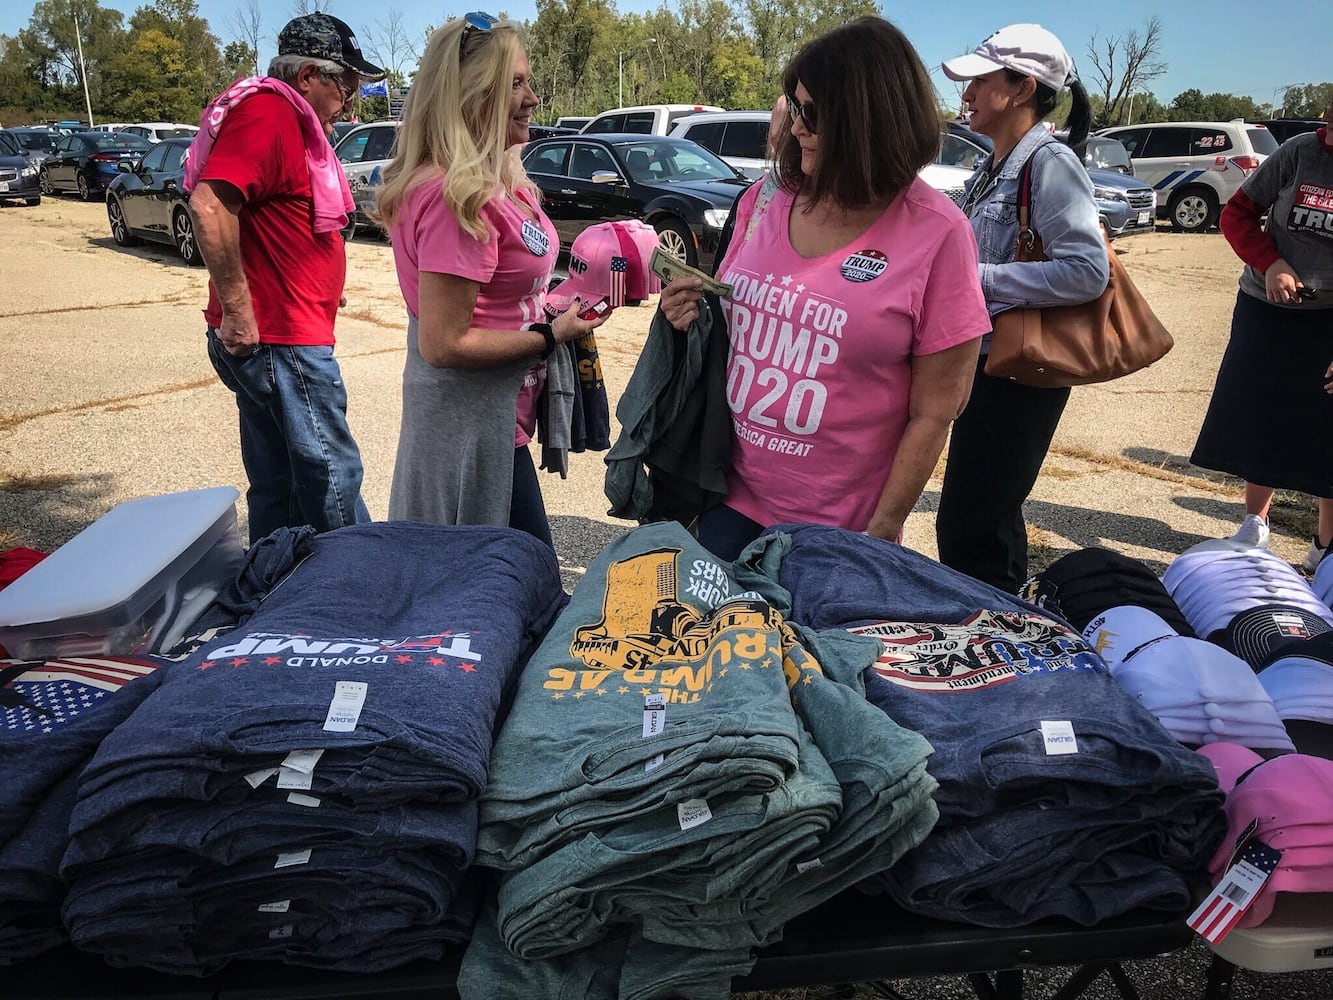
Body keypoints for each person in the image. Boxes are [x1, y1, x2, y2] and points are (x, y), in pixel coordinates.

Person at [658, 16, 991, 561]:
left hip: (840, 534)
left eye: (811, 113)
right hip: (725, 500)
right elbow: (730, 323)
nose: (795, 127)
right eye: (793, 106)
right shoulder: (763, 202)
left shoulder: (938, 233)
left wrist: (881, 533)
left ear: (870, 119)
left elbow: (935, 412)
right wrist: (686, 311)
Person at [374, 13, 607, 547]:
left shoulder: (501, 180)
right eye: (515, 85)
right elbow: (444, 342)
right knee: (507, 585)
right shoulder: (454, 196)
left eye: (528, 82)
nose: (532, 99)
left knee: (508, 584)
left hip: (499, 418)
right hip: (466, 425)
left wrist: (556, 305)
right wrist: (551, 336)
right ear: (473, 96)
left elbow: (504, 290)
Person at [187, 13, 383, 544]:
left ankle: (275, 586)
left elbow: (280, 219)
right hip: (280, 338)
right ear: (307, 78)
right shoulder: (270, 113)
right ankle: (364, 585)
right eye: (344, 85)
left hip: (283, 334)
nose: (349, 101)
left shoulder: (291, 120)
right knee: (330, 477)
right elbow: (209, 205)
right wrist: (239, 308)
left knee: (281, 483)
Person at [934, 23, 1109, 592]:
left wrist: (976, 277)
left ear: (1021, 89)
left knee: (975, 526)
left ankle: (997, 640)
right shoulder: (1000, 163)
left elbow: (1088, 270)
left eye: (979, 82)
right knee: (975, 520)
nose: (966, 95)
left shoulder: (1049, 164)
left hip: (1020, 374)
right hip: (990, 366)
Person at [1190, 97, 1333, 571]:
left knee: (1326, 428)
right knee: (1262, 415)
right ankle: (1255, 524)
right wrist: (1270, 263)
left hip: (1328, 321)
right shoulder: (1297, 153)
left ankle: (1325, 546)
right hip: (1266, 309)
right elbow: (1236, 215)